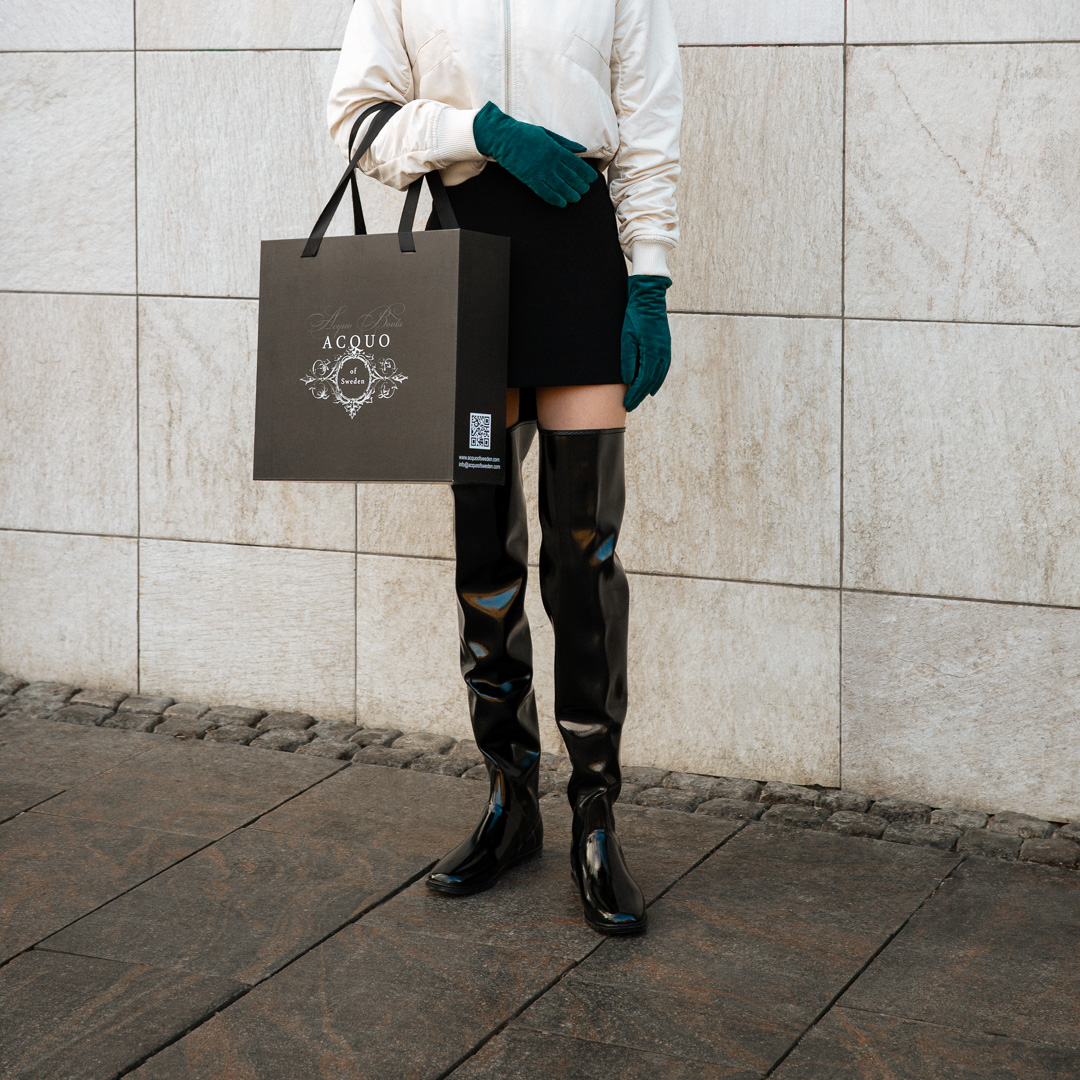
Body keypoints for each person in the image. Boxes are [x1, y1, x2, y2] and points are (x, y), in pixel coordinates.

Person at [327, 0, 681, 935]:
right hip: (460, 257)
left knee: (584, 555)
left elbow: (647, 127)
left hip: (575, 252)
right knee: (485, 551)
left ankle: (595, 815)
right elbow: (358, 121)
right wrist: (477, 127)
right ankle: (508, 798)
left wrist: (648, 278)